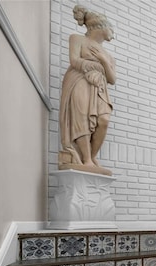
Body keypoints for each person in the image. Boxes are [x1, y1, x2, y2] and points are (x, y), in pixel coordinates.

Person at [59, 5, 116, 175]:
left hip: (99, 87)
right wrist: (91, 66)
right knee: (81, 116)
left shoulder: (108, 55)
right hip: (80, 80)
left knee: (103, 120)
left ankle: (91, 156)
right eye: (110, 28)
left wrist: (103, 62)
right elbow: (74, 60)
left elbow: (112, 79)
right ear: (100, 26)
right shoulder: (77, 39)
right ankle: (86, 159)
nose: (113, 33)